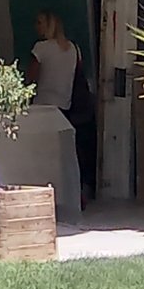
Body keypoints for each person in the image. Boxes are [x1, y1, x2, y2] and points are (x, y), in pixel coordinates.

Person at [25, 11, 95, 203]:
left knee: (40, 155)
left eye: (39, 22)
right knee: (64, 156)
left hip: (42, 107)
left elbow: (31, 77)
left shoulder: (41, 48)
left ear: (49, 25)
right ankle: (72, 193)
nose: (36, 26)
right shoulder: (73, 48)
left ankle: (43, 194)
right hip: (65, 107)